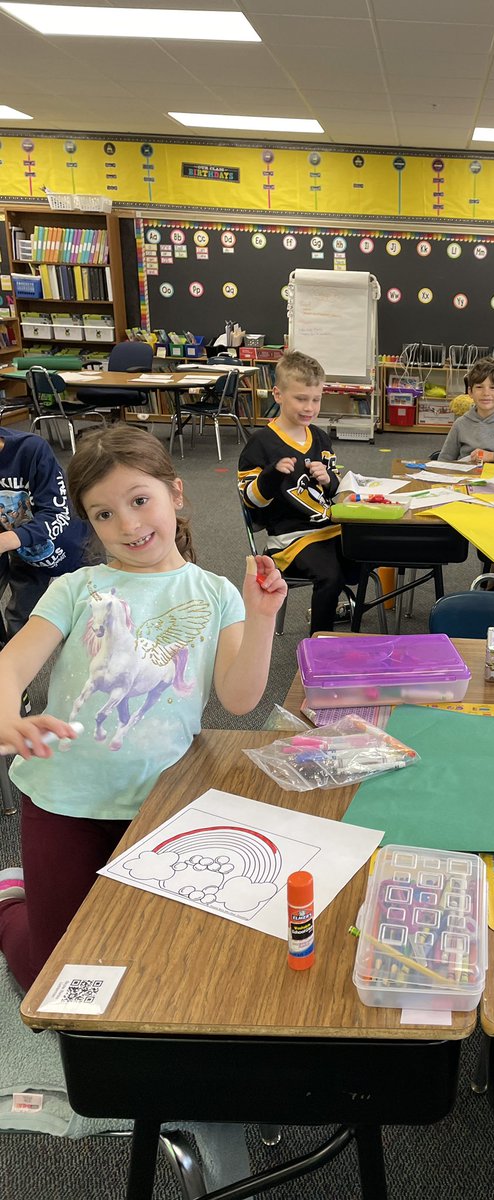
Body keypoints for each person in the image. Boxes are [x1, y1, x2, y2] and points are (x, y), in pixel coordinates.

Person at [0, 425, 287, 990]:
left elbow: (239, 699)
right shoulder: (76, 587)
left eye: (139, 501)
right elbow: (9, 665)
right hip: (63, 800)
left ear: (175, 492)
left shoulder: (214, 593)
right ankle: (11, 900)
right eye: (104, 514)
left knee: (150, 956)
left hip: (162, 803)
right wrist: (7, 716)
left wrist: (261, 618)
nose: (128, 526)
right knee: (50, 976)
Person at [238, 350, 352, 634]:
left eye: (316, 399)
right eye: (301, 398)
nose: (309, 407)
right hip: (289, 538)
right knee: (330, 576)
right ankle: (320, 642)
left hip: (331, 527)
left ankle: (353, 619)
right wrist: (272, 475)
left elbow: (336, 491)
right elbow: (251, 502)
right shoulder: (261, 443)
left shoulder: (320, 437)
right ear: (278, 395)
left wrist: (329, 480)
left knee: (369, 556)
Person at [0, 424, 90, 642]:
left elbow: (56, 513)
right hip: (24, 554)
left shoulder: (31, 449)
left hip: (75, 546)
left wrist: (8, 539)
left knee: (91, 618)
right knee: (21, 619)